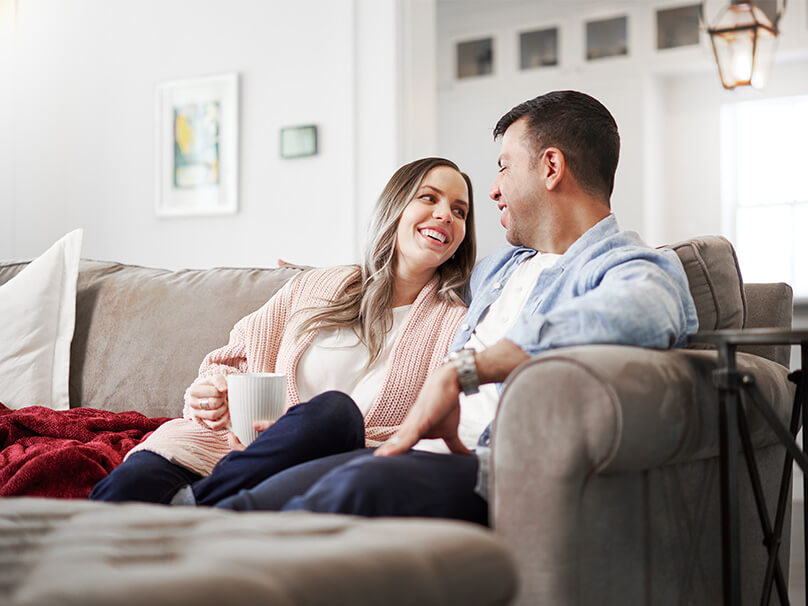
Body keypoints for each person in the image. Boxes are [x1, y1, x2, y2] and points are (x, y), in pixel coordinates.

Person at [212, 90, 699, 525]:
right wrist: (315, 278)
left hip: (483, 465)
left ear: (551, 167)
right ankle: (182, 524)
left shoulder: (627, 263)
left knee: (349, 488)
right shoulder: (499, 269)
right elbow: (412, 273)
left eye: (504, 166)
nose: (493, 189)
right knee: (259, 494)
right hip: (410, 449)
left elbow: (642, 311)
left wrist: (463, 371)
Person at [89, 156, 476, 505]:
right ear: (395, 207)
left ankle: (197, 505)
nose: (446, 215)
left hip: (322, 464)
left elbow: (433, 424)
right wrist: (214, 394)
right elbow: (231, 360)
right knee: (126, 490)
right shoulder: (318, 285)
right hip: (223, 445)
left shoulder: (456, 323)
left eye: (459, 211)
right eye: (429, 198)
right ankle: (198, 508)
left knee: (336, 412)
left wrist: (292, 435)